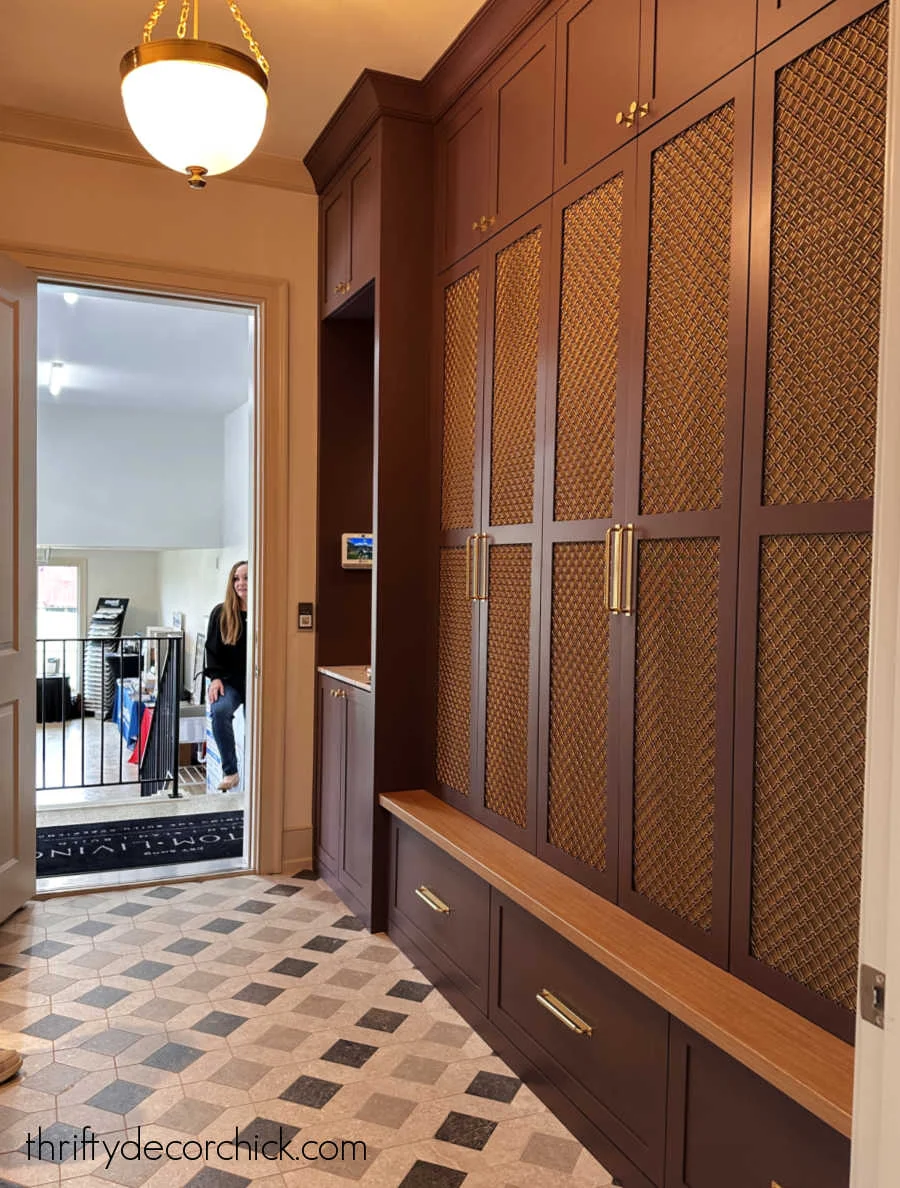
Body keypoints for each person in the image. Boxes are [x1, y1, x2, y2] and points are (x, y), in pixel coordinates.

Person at [205, 560, 248, 791]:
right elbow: (212, 650)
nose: (241, 583)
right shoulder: (220, 613)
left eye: (246, 577)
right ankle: (230, 771)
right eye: (236, 578)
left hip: (257, 681)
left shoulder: (265, 612)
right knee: (219, 710)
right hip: (229, 682)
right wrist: (216, 678)